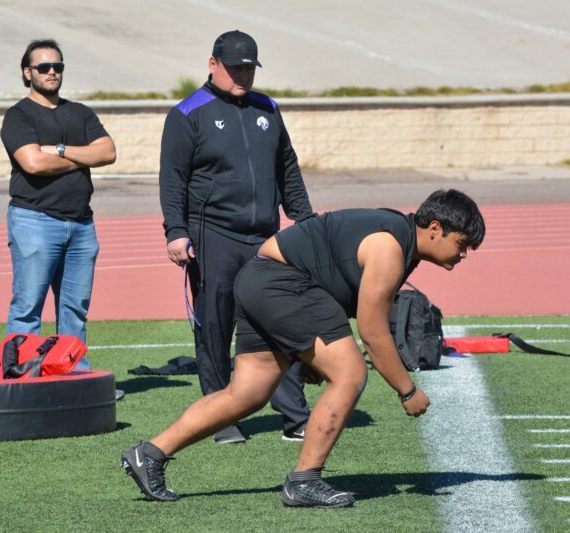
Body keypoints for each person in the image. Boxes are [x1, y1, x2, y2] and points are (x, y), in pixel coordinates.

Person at [121, 189, 486, 508]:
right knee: (351, 373)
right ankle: (304, 481)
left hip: (259, 278)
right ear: (435, 228)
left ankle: (150, 453)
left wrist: (305, 352)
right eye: (462, 243)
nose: (465, 253)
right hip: (283, 282)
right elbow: (374, 333)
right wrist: (407, 390)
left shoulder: (396, 234)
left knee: (247, 393)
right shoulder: (390, 247)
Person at [159, 30, 313, 443]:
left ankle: (295, 416)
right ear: (213, 65)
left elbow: (288, 168)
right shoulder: (188, 113)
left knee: (277, 322)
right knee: (216, 325)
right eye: (234, 68)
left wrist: (304, 218)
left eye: (249, 68)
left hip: (265, 235)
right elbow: (172, 180)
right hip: (213, 236)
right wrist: (176, 231)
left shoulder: (268, 109)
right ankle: (221, 416)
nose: (242, 75)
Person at [0, 39, 116, 369]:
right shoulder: (18, 116)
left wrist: (60, 151)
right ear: (27, 73)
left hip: (81, 224)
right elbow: (33, 163)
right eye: (44, 67)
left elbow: (107, 153)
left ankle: (73, 377)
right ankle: (20, 378)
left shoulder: (80, 112)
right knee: (28, 306)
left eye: (58, 67)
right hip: (34, 221)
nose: (52, 72)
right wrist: (83, 157)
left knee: (74, 309)